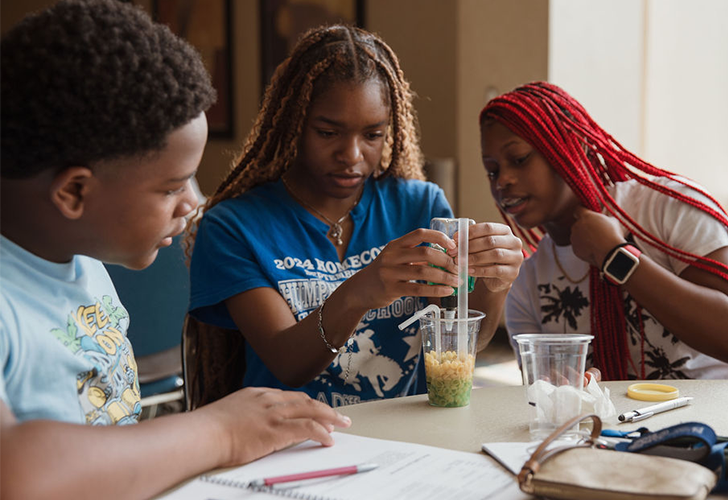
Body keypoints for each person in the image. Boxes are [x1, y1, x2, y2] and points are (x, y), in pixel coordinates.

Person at [0, 2, 351, 499]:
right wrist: (222, 431)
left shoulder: (80, 261)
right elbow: (14, 470)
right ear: (74, 193)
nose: (195, 202)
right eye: (171, 187)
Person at [186, 25, 524, 408]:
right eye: (328, 133)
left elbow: (459, 346)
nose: (351, 154)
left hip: (408, 442)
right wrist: (359, 292)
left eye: (373, 135)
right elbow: (288, 363)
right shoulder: (234, 226)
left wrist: (496, 284)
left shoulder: (421, 208)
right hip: (294, 443)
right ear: (292, 123)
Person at [479, 81, 728, 381]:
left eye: (519, 159)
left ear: (575, 144)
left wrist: (616, 257)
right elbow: (548, 405)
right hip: (633, 432)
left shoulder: (666, 207)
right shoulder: (527, 283)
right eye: (492, 170)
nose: (502, 180)